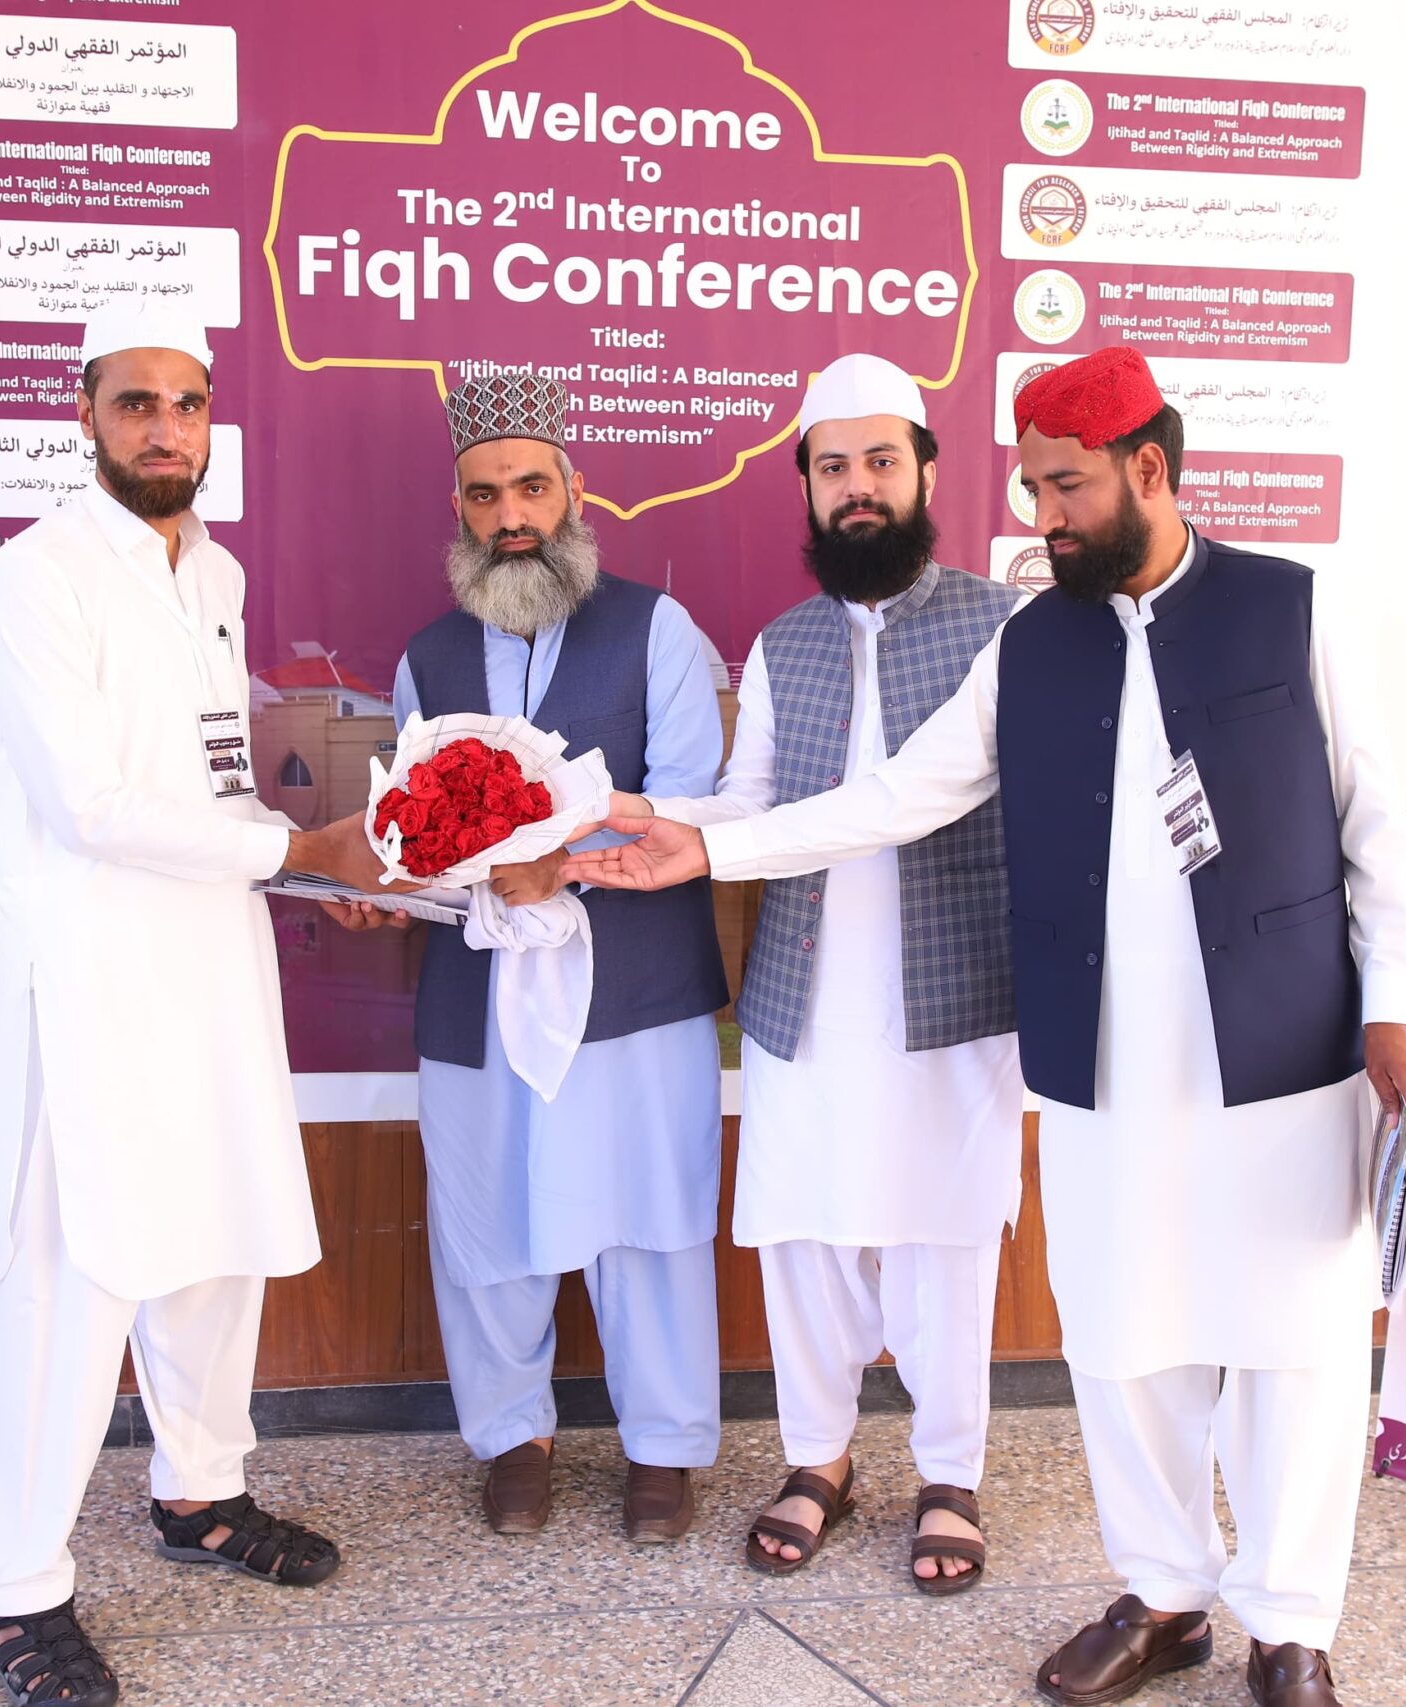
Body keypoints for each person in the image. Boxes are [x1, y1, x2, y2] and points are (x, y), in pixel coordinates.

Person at [568, 345, 1406, 1706]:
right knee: (1123, 1334)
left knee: (1294, 1340)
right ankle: (1164, 1594)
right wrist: (706, 847)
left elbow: (1371, 827)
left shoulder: (1292, 608)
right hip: (1101, 1057)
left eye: (1068, 486)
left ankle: (1290, 1624)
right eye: (1032, 488)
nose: (1046, 515)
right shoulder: (1031, 641)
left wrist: (1391, 1007)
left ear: (1150, 468)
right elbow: (896, 796)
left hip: (1284, 1044)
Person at [0, 305, 383, 1707]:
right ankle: (23, 1588)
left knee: (216, 1241)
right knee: (69, 1278)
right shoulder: (35, 579)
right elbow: (89, 805)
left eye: (189, 403)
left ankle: (199, 1493)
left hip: (215, 954)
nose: (166, 428)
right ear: (85, 414)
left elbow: (214, 770)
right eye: (137, 402)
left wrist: (315, 856)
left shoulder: (213, 569)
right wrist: (299, 848)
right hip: (92, 977)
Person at [624, 354, 1021, 1591]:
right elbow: (745, 802)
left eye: (881, 462)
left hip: (952, 988)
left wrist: (706, 842)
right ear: (804, 485)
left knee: (944, 1236)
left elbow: (908, 799)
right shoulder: (780, 642)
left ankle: (949, 1474)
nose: (859, 488)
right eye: (834, 467)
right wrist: (633, 821)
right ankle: (819, 1460)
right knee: (801, 1234)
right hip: (801, 992)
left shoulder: (1005, 626)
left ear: (927, 473)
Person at [386, 369, 730, 1542]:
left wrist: (561, 864)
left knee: (652, 1213)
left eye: (532, 487)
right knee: (484, 1214)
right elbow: (412, 824)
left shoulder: (656, 629)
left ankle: (665, 1447)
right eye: (486, 496)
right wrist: (401, 880)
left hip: (637, 984)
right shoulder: (426, 658)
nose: (512, 515)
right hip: (476, 984)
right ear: (458, 508)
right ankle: (510, 1437)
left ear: (574, 490)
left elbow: (693, 802)